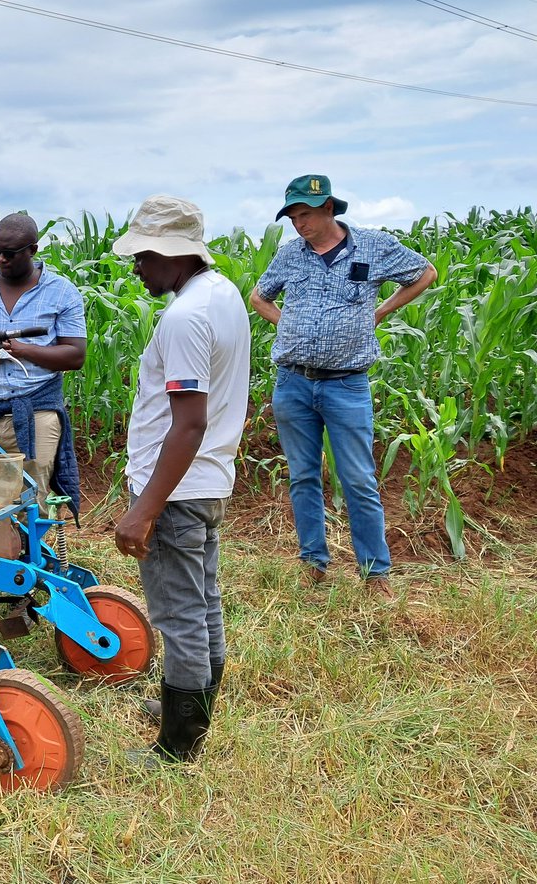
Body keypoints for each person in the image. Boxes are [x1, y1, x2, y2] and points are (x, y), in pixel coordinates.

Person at [250, 175, 436, 599]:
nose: (299, 223)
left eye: (306, 214)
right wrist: (289, 326)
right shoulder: (290, 255)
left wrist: (382, 312)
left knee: (357, 479)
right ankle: (313, 562)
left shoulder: (373, 245)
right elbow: (259, 297)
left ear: (329, 208)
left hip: (346, 385)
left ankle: (374, 574)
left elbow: (425, 273)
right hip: (293, 383)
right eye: (293, 216)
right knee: (303, 476)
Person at [112, 195, 250, 766]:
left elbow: (188, 424)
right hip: (208, 481)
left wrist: (144, 507)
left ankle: (179, 742)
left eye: (144, 255)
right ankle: (192, 700)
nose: (137, 267)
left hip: (178, 489)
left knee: (179, 614)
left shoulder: (184, 317)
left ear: (174, 254)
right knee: (204, 600)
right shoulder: (223, 295)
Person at [0, 213, 86, 516]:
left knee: (30, 506)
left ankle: (32, 562)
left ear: (33, 250)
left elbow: (75, 355)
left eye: (9, 254)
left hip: (36, 415)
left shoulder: (62, 292)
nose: (0, 259)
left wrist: (23, 349)